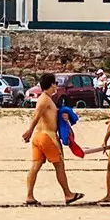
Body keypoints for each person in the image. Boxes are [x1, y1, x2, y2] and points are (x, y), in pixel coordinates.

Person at [21, 71, 81, 206]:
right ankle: (68, 194)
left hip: (38, 136)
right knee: (59, 165)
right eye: (56, 83)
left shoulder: (46, 99)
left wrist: (64, 116)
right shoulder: (45, 99)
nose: (56, 86)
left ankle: (29, 196)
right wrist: (29, 131)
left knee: (35, 167)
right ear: (51, 84)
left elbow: (50, 116)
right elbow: (37, 116)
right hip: (47, 136)